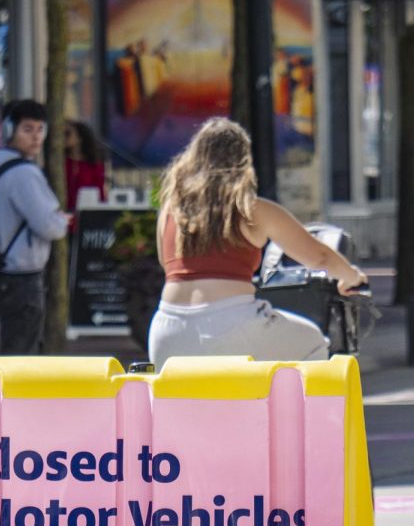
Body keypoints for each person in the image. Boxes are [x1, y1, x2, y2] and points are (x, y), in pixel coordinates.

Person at [148, 117, 367, 366]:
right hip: (231, 325)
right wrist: (351, 277)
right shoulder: (253, 210)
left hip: (167, 331)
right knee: (313, 341)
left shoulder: (171, 210)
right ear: (242, 164)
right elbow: (320, 257)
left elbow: (168, 266)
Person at [0, 99, 70, 354]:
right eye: (28, 129)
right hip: (21, 276)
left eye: (40, 130)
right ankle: (10, 395)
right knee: (21, 353)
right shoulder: (24, 173)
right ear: (10, 130)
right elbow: (49, 226)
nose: (36, 138)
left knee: (15, 346)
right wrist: (61, 221)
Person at [63, 120, 106, 222]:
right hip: (64, 215)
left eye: (68, 134)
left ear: (79, 138)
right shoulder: (62, 162)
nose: (64, 138)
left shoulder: (93, 164)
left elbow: (99, 189)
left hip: (86, 214)